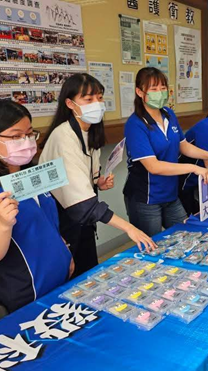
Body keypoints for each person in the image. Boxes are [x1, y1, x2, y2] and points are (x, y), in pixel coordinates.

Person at [0, 100, 73, 313]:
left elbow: (46, 223)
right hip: (24, 299)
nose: (26, 141)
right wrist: (3, 225)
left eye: (29, 134)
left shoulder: (31, 177)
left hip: (57, 286)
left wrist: (64, 252)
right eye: (16, 136)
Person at [40, 73, 155, 278]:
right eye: (88, 99)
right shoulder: (63, 137)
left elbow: (81, 175)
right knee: (69, 279)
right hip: (61, 222)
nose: (97, 104)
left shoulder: (89, 131)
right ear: (70, 103)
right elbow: (82, 203)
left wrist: (97, 182)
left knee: (88, 274)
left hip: (83, 222)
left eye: (99, 98)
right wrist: (129, 228)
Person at [124, 67, 208, 236]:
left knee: (187, 235)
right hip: (147, 198)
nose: (160, 93)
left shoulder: (168, 114)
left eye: (163, 88)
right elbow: (153, 166)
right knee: (153, 245)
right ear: (139, 92)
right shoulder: (135, 124)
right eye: (153, 89)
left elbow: (183, 145)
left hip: (170, 194)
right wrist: (193, 168)